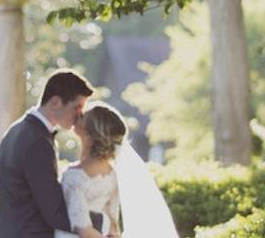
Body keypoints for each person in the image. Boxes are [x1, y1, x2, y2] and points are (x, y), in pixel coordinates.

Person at [0, 70, 96, 238]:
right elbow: (54, 212)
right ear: (55, 102)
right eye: (76, 107)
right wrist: (103, 221)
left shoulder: (16, 129)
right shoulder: (37, 142)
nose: (80, 115)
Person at [56, 102, 180, 238]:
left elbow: (84, 230)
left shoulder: (74, 176)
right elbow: (113, 225)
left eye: (82, 117)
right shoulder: (113, 174)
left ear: (89, 133)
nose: (77, 116)